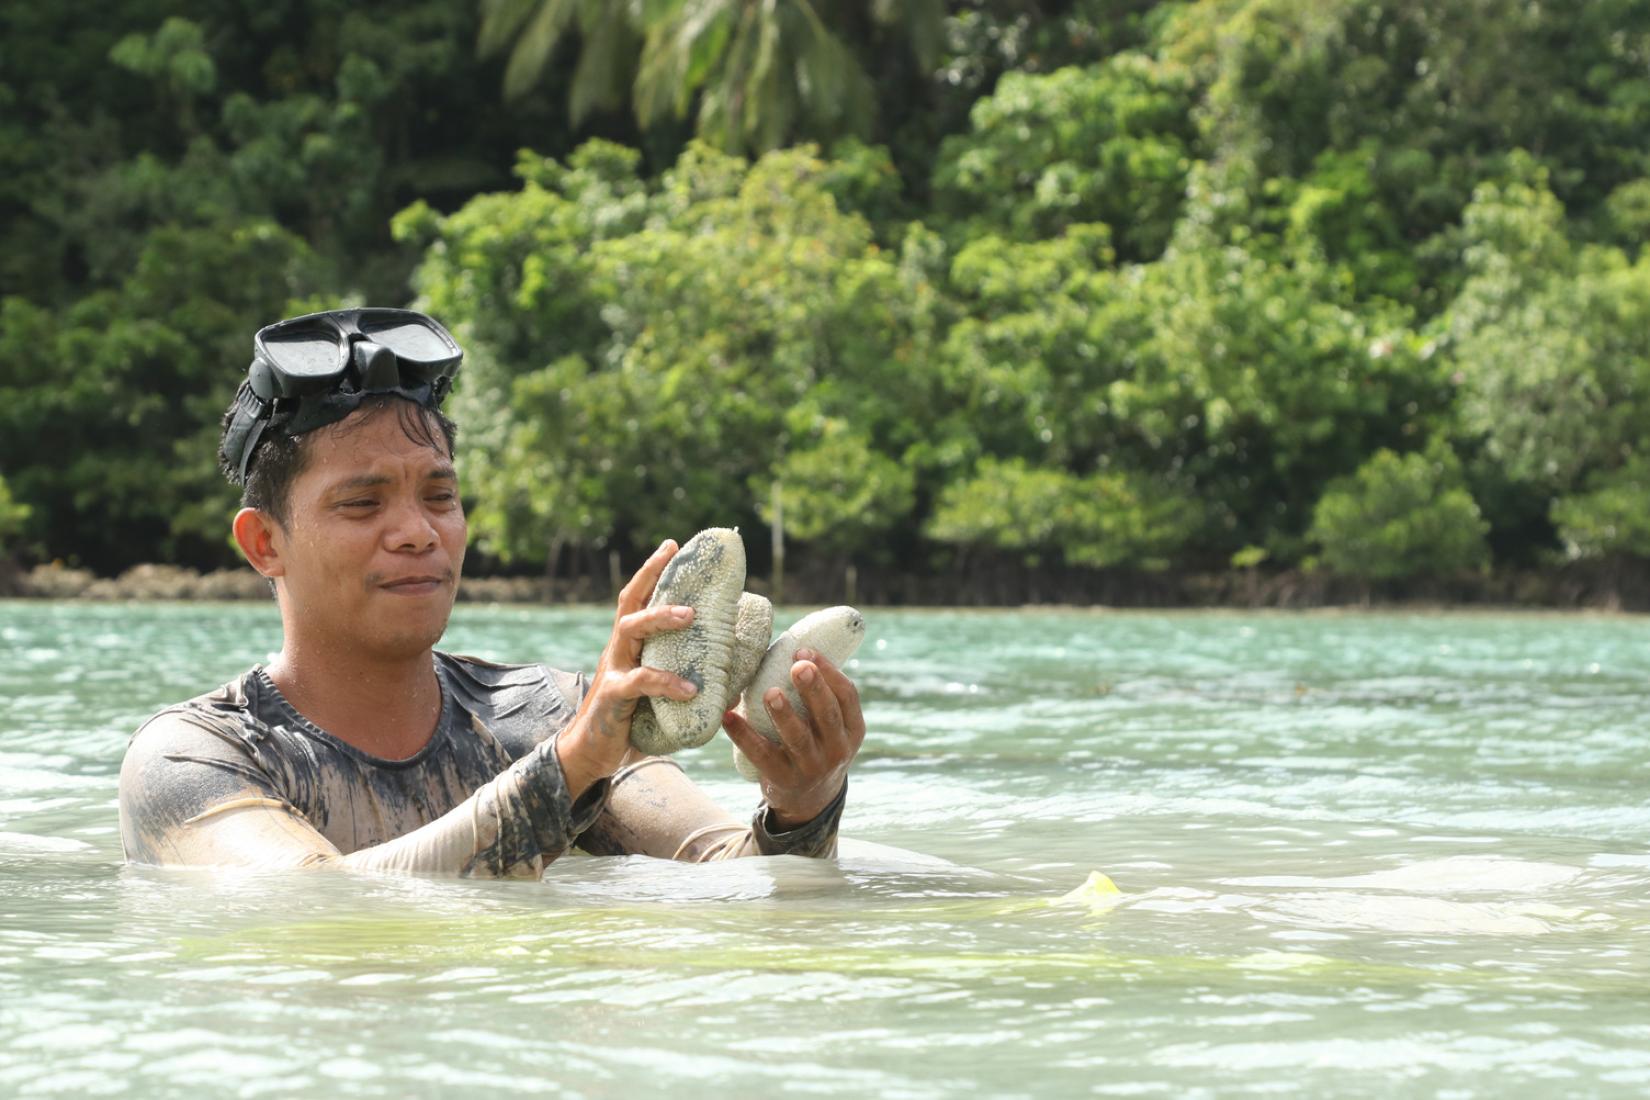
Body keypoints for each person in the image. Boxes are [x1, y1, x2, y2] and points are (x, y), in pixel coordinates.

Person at [118, 308, 863, 876]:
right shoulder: (195, 758)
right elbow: (321, 910)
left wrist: (802, 802)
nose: (416, 531)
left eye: (439, 496)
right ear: (263, 544)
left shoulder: (545, 717)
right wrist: (572, 765)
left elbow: (726, 876)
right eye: (362, 503)